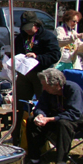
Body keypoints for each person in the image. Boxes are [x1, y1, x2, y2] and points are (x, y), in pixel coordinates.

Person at [23, 69, 83, 164]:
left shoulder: (73, 89)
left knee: (63, 124)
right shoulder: (47, 92)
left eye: (46, 86)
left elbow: (73, 114)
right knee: (32, 121)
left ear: (56, 84)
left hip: (78, 120)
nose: (44, 88)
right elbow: (41, 106)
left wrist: (49, 119)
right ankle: (34, 159)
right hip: (56, 118)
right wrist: (40, 115)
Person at [12, 11, 61, 145]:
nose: (27, 30)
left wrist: (38, 57)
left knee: (44, 104)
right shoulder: (20, 38)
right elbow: (16, 51)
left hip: (42, 75)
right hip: (24, 74)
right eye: (24, 27)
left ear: (36, 24)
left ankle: (47, 138)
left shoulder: (47, 37)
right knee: (19, 105)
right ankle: (17, 136)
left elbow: (55, 55)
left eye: (29, 27)